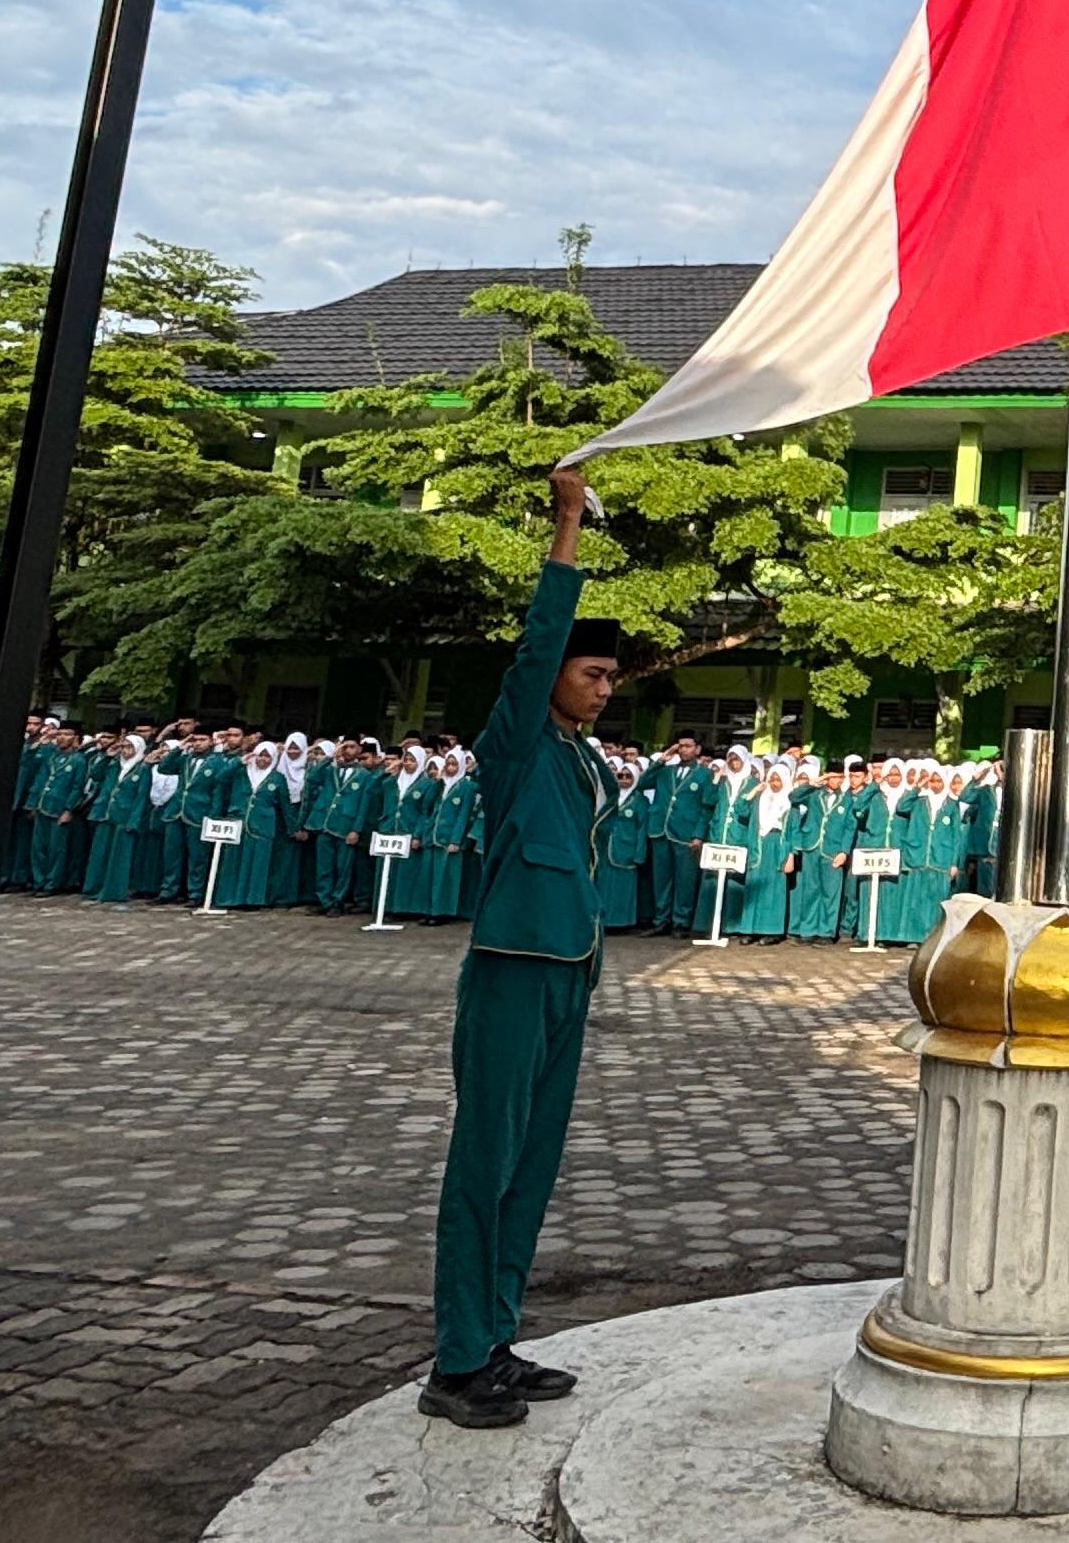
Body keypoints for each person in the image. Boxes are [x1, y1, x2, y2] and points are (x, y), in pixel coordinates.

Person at [420, 465, 619, 1430]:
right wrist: (567, 525)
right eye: (593, 673)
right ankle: (455, 1363)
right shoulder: (518, 745)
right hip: (511, 967)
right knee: (484, 1159)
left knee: (531, 1163)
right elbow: (540, 643)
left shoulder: (585, 759)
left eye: (612, 676)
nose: (604, 687)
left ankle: (495, 1338)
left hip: (570, 968)